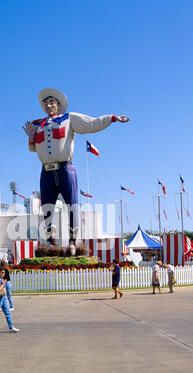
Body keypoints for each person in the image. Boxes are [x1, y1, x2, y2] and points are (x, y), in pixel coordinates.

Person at [23, 88, 129, 254]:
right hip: (46, 171)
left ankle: (72, 242)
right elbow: (33, 149)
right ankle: (51, 242)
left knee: (72, 206)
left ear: (59, 105)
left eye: (52, 102)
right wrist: (31, 139)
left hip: (66, 169)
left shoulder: (69, 118)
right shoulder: (38, 124)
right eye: (46, 103)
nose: (49, 105)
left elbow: (91, 123)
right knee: (46, 209)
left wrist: (112, 118)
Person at [0, 267, 19, 333]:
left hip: (4, 297)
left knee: (8, 312)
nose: (4, 273)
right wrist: (3, 284)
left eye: (4, 272)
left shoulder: (2, 279)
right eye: (2, 272)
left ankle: (11, 327)